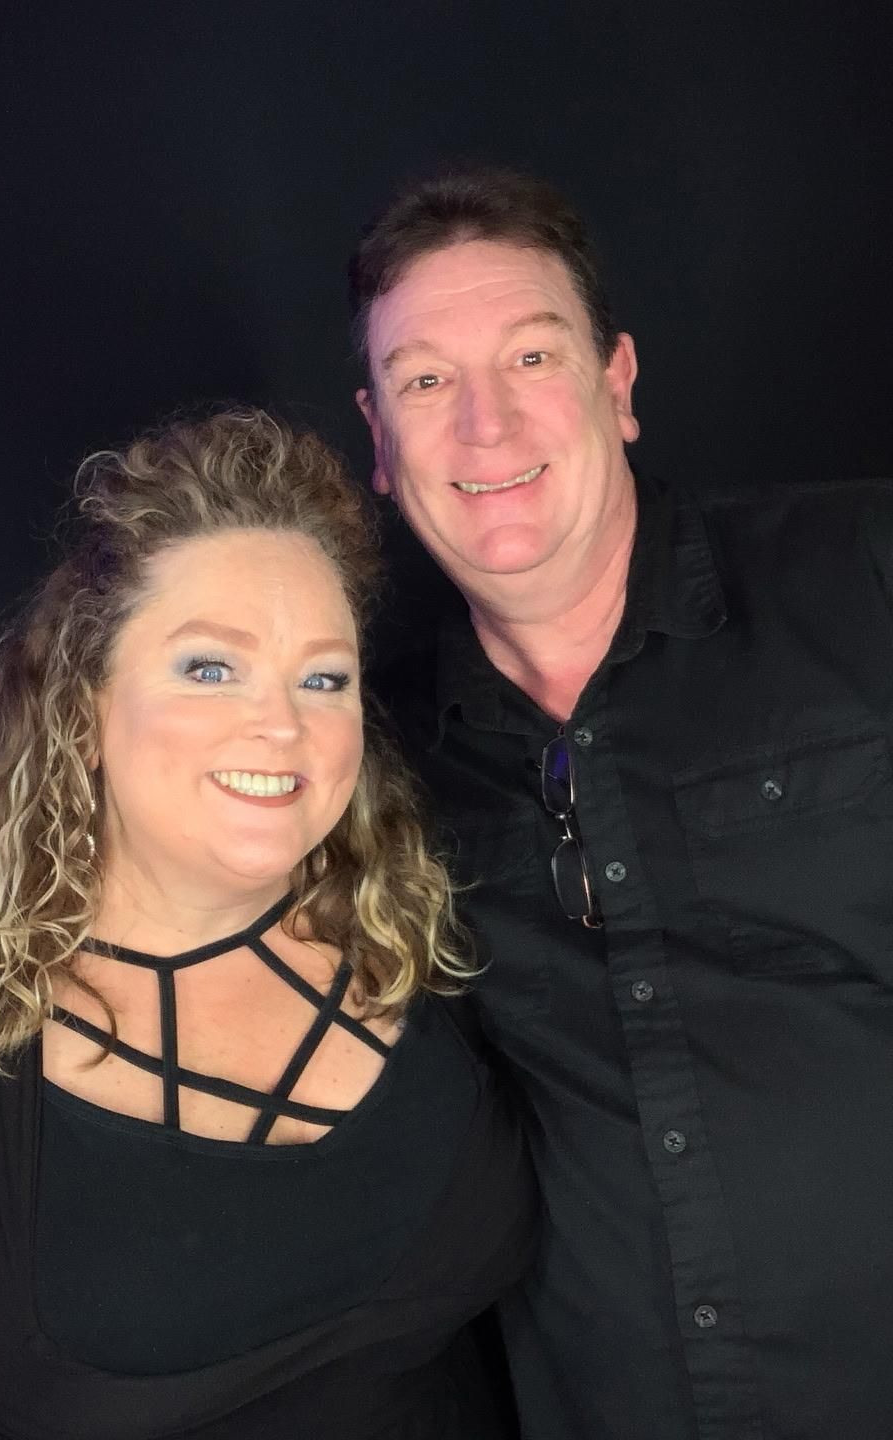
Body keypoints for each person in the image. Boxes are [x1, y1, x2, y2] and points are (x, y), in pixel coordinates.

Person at [0, 410, 533, 1439]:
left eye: (322, 678)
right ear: (84, 700)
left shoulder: (403, 919)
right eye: (210, 667)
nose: (280, 725)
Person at [350, 168, 893, 1440]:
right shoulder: (360, 760)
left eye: (532, 355)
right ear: (378, 440)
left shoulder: (865, 577)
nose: (484, 425)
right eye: (426, 379)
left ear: (619, 383)